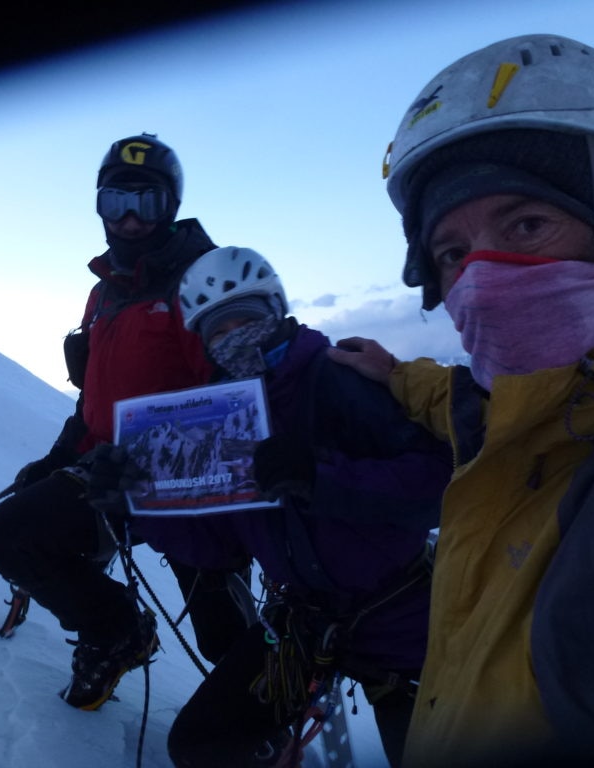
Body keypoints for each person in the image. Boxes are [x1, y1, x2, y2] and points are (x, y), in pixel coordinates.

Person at [327, 34, 594, 767]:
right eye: (452, 254)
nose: (483, 278)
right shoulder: (516, 412)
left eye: (527, 225)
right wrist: (396, 375)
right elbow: (476, 402)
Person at [89, 246, 452, 766]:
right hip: (303, 625)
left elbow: (436, 486)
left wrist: (318, 476)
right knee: (203, 744)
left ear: (276, 311)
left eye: (245, 318)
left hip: (405, 624)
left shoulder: (336, 378)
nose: (233, 335)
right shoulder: (218, 419)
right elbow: (221, 548)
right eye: (216, 330)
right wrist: (137, 505)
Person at [0, 133, 255, 712]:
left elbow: (240, 398)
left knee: (226, 638)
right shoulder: (103, 293)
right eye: (115, 202)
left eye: (145, 202)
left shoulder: (206, 279)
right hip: (108, 471)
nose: (129, 220)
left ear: (171, 206)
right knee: (12, 534)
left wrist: (154, 460)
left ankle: (260, 722)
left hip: (196, 488)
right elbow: (97, 397)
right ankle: (115, 630)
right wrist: (61, 456)